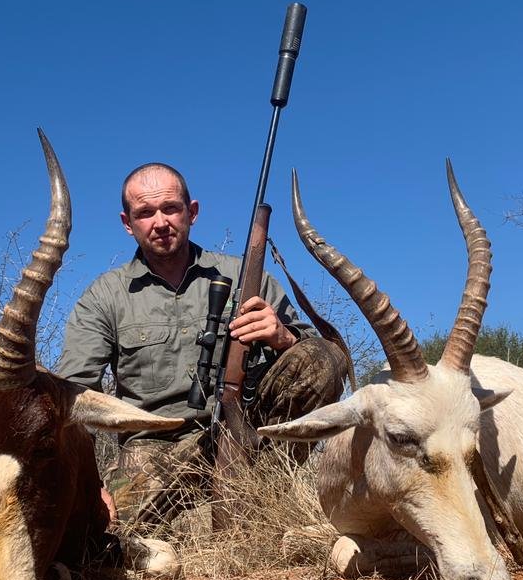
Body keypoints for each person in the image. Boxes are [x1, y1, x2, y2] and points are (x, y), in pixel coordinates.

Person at [55, 162, 347, 528]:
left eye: (170, 208)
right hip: (153, 449)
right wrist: (88, 485)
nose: (160, 222)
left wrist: (283, 336)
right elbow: (71, 395)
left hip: (245, 434)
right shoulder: (105, 296)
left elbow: (320, 356)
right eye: (145, 213)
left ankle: (262, 491)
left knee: (324, 358)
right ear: (128, 224)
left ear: (191, 212)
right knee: (109, 536)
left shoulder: (243, 275)